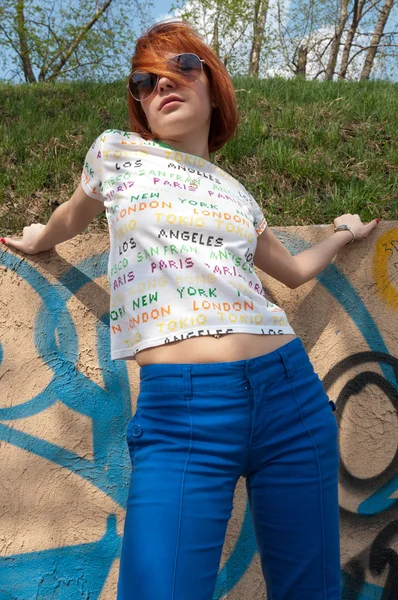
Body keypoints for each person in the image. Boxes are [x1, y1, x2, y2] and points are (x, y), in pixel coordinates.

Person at [2, 20, 380, 600]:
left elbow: (293, 271)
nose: (161, 85)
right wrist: (38, 240)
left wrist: (344, 234)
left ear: (213, 84)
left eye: (181, 66)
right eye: (144, 82)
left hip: (290, 397)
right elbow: (68, 218)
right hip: (181, 413)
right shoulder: (117, 153)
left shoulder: (235, 191)